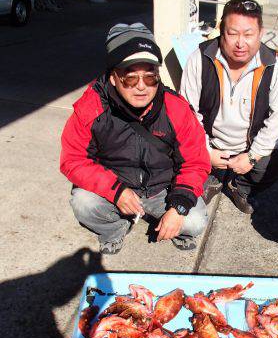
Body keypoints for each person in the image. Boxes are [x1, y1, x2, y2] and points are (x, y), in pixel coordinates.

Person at [60, 23, 210, 254]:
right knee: (83, 204)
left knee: (194, 221)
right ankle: (117, 226)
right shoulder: (91, 107)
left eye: (150, 77)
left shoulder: (175, 107)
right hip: (116, 185)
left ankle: (169, 222)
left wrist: (178, 206)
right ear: (113, 77)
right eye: (130, 78)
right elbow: (72, 160)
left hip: (163, 189)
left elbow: (196, 162)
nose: (141, 87)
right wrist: (116, 190)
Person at [180, 0, 278, 214]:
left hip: (247, 147)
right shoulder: (200, 59)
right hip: (211, 143)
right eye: (233, 33)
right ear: (222, 31)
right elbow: (187, 113)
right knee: (176, 152)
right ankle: (213, 178)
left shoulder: (274, 67)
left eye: (248, 34)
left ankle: (238, 186)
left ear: (260, 33)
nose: (241, 43)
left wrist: (252, 156)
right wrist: (205, 151)